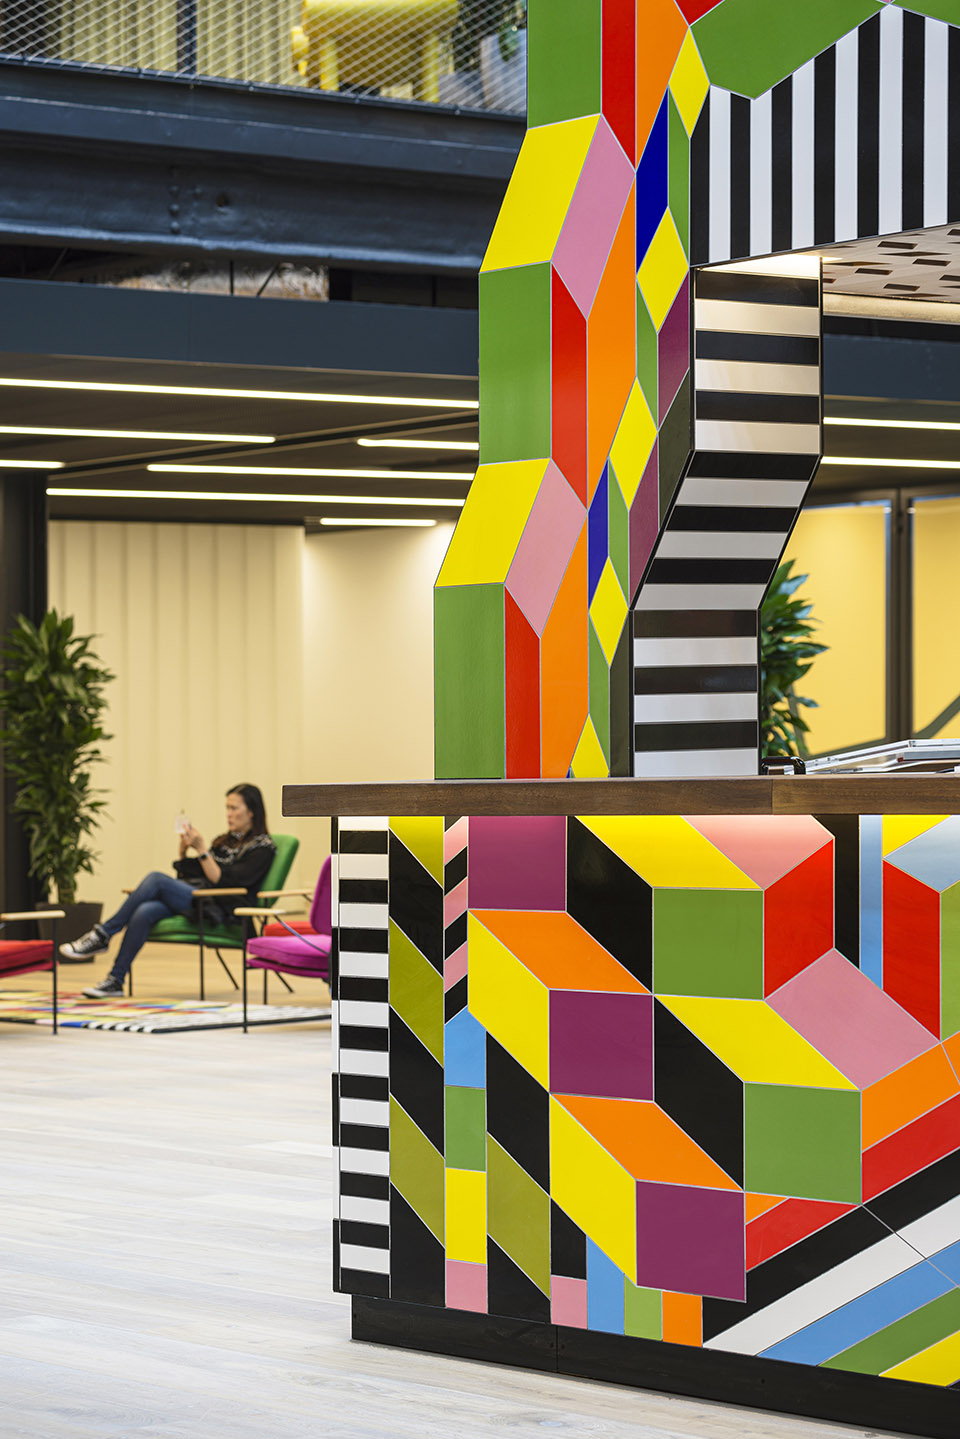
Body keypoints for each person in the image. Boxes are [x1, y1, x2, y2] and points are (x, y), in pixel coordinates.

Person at [60, 784, 276, 999]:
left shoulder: (263, 847)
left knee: (156, 879)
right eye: (227, 808)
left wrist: (202, 850)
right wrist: (184, 853)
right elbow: (193, 876)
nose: (228, 814)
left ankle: (102, 935)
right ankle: (115, 980)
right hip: (201, 899)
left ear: (252, 811)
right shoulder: (224, 842)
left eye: (234, 808)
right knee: (145, 911)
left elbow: (227, 882)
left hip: (225, 909)